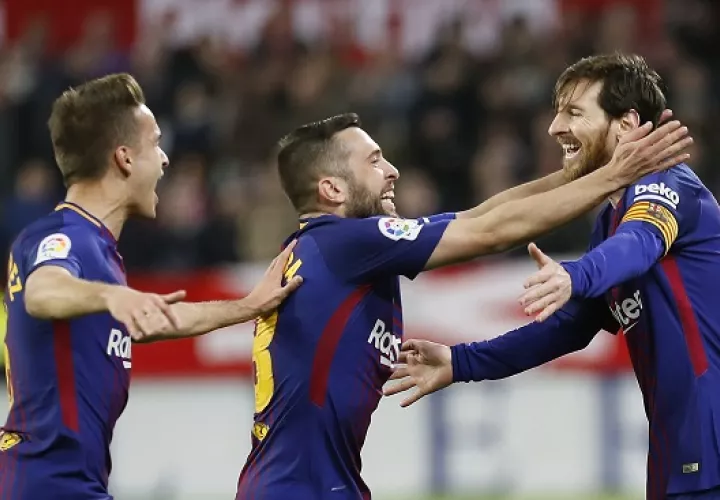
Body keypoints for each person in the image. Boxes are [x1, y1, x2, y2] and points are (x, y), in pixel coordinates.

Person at [235, 99, 691, 499]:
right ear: (331, 189)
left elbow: (481, 214)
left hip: (309, 483)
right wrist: (615, 174)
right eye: (374, 161)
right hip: (302, 489)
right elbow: (491, 232)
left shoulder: (326, 249)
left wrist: (577, 173)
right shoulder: (345, 243)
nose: (392, 170)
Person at [385, 53, 720, 500]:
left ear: (626, 124)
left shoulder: (668, 184)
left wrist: (576, 274)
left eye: (574, 112)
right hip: (679, 442)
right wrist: (460, 362)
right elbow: (567, 329)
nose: (554, 127)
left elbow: (640, 243)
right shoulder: (608, 220)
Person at [0, 73, 302, 500]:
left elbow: (162, 317)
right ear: (124, 158)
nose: (163, 159)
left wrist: (249, 306)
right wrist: (113, 295)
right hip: (47, 483)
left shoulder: (96, 250)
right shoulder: (66, 237)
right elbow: (44, 291)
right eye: (155, 143)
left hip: (57, 481)